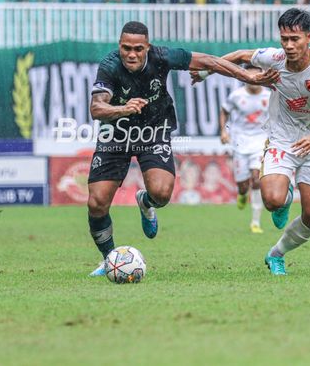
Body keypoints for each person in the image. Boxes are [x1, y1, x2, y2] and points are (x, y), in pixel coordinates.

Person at [87, 21, 279, 277]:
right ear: (119, 46)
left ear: (148, 47)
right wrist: (123, 109)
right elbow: (97, 108)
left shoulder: (163, 56)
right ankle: (110, 259)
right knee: (97, 203)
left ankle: (146, 202)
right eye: (125, 48)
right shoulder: (109, 65)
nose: (131, 54)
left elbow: (210, 61)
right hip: (116, 133)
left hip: (153, 130)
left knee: (162, 193)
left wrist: (250, 77)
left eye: (137, 49)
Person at [198, 8, 310, 276]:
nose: (288, 45)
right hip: (281, 140)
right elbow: (241, 56)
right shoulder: (273, 58)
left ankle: (277, 253)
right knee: (273, 201)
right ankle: (286, 197)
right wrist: (208, 72)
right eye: (284, 38)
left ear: (308, 37)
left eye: (295, 39)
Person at [219, 68, 270, 233]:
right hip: (240, 143)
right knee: (243, 185)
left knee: (256, 179)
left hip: (260, 142)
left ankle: (255, 222)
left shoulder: (269, 95)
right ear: (243, 77)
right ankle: (242, 194)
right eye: (249, 76)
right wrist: (223, 131)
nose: (253, 79)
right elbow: (224, 111)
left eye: (257, 75)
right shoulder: (236, 95)